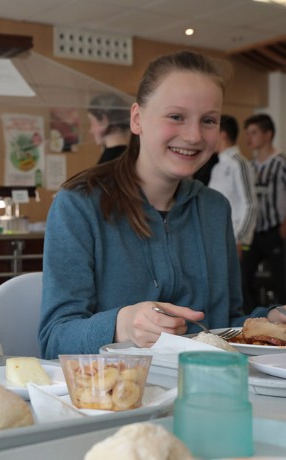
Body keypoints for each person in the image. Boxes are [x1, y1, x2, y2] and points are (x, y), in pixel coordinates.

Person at [39, 51, 286, 357]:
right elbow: (54, 339)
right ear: (137, 118)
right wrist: (122, 323)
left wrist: (269, 321)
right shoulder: (78, 205)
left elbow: (224, 324)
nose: (194, 135)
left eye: (208, 120)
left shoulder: (214, 208)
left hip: (205, 390)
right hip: (118, 395)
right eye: (176, 116)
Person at [241, 113, 286, 311]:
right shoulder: (250, 165)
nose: (249, 138)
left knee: (281, 280)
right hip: (253, 233)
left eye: (254, 133)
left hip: (275, 231)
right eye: (248, 133)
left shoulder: (280, 163)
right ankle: (254, 317)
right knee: (243, 277)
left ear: (268, 134)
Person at [208, 114, 258, 258]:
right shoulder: (218, 166)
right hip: (218, 236)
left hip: (234, 238)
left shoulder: (239, 163)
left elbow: (249, 204)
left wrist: (239, 240)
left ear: (222, 135)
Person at [86, 93, 131, 164]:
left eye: (91, 121)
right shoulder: (132, 154)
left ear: (104, 121)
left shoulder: (109, 160)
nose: (90, 130)